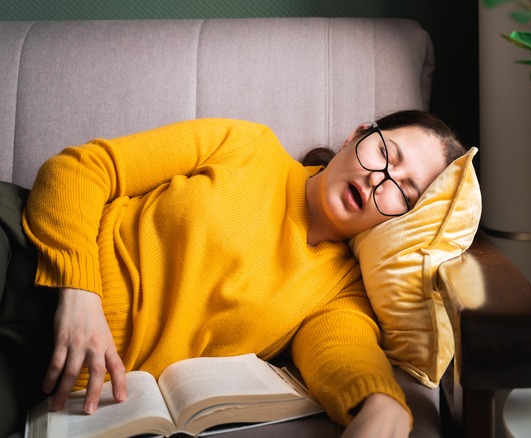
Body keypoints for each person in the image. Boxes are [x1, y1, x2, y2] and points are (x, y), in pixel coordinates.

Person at [0, 109, 466, 437]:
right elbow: (81, 168)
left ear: (402, 220)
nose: (378, 179)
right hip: (24, 247)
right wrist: (79, 289)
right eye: (386, 153)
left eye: (403, 191)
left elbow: (344, 354)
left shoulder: (339, 290)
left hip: (43, 374)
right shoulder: (248, 145)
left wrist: (381, 404)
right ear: (357, 135)